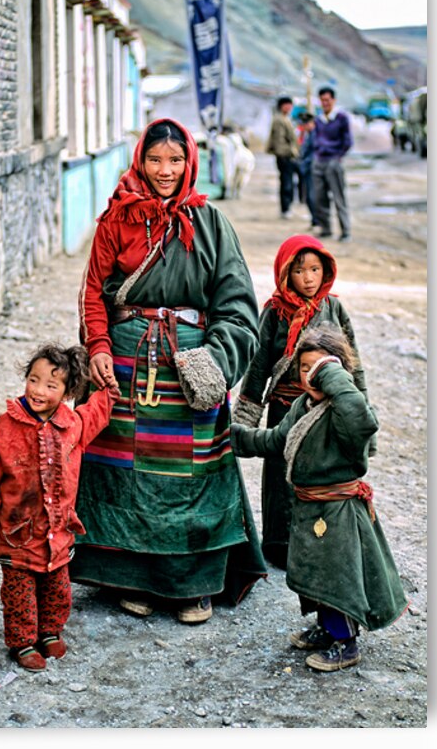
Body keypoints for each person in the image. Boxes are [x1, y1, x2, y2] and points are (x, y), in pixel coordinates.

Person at [71, 117, 267, 624]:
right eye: (155, 159)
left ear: (190, 163)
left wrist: (215, 362)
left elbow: (237, 305)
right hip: (124, 364)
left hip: (189, 368)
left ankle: (191, 586)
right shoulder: (117, 219)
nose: (165, 170)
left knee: (190, 476)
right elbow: (94, 293)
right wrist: (97, 348)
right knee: (125, 476)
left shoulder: (211, 224)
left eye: (175, 160)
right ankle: (131, 578)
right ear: (141, 160)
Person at [231, 324, 408, 672]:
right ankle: (327, 629)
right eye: (304, 368)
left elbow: (362, 420)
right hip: (309, 507)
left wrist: (333, 375)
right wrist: (232, 436)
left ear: (337, 371)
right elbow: (276, 440)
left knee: (337, 577)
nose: (310, 375)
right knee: (315, 575)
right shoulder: (304, 405)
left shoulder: (345, 412)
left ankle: (346, 643)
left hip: (337, 511)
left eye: (319, 368)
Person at [0, 343, 118, 671]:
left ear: (67, 392)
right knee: (19, 591)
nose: (38, 390)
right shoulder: (8, 426)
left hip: (57, 531)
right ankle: (22, 642)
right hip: (17, 531)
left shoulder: (72, 425)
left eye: (50, 385)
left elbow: (96, 413)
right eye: (33, 380)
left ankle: (49, 632)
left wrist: (107, 390)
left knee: (57, 588)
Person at [232, 234, 371, 570]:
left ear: (326, 271)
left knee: (319, 473)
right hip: (284, 407)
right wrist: (246, 417)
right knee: (280, 475)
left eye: (315, 269)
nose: (308, 278)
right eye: (298, 271)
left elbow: (352, 364)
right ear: (284, 274)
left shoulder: (334, 309)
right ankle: (279, 542)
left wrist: (361, 414)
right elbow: (259, 364)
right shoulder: (275, 312)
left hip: (325, 410)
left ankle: (318, 540)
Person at [313, 87, 353, 242]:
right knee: (320, 198)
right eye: (322, 100)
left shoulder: (341, 118)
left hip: (333, 162)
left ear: (333, 100)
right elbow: (315, 139)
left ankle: (345, 231)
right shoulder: (318, 120)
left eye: (327, 100)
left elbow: (348, 141)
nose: (325, 103)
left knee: (338, 198)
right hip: (319, 161)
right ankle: (326, 229)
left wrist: (337, 157)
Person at [266, 96, 300, 220]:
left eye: (290, 104)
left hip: (286, 156)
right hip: (284, 156)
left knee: (288, 181)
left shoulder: (286, 119)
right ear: (281, 106)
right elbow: (279, 141)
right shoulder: (279, 120)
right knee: (286, 183)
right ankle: (285, 209)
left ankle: (287, 207)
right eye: (286, 104)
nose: (289, 107)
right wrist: (290, 152)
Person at [297, 113, 319, 228]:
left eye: (307, 124)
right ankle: (315, 220)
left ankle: (317, 221)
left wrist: (304, 163)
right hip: (306, 169)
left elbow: (314, 154)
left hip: (312, 169)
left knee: (312, 196)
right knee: (309, 196)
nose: (305, 126)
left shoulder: (315, 135)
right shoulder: (308, 134)